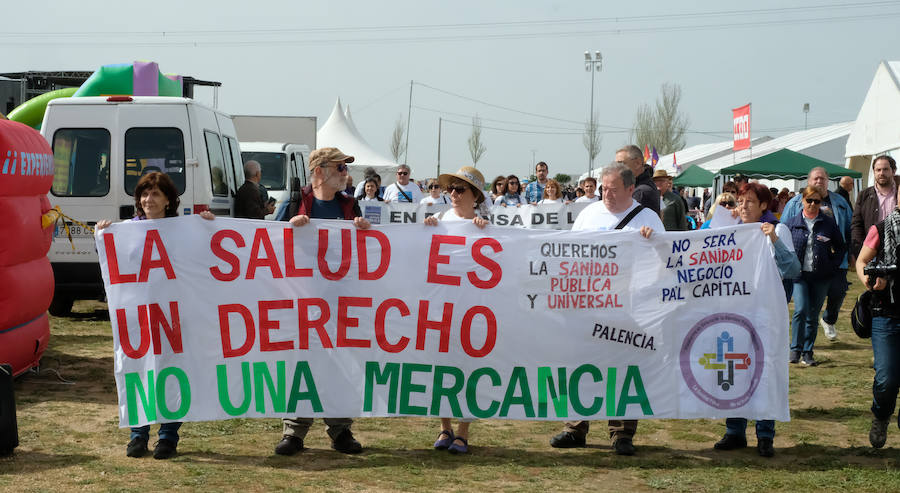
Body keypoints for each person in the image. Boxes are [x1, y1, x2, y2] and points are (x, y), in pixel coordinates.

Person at [97, 171, 215, 460]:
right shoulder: (127, 231)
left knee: (173, 372)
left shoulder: (182, 230)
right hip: (138, 318)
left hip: (175, 316)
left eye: (156, 194)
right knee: (139, 370)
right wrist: (103, 234)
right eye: (144, 194)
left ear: (168, 200)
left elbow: (203, 261)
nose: (148, 199)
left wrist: (210, 228)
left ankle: (168, 437)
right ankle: (138, 435)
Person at [550, 162, 662, 456]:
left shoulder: (648, 218)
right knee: (581, 363)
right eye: (603, 188)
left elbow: (666, 259)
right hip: (588, 304)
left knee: (624, 368)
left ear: (629, 189)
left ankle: (622, 433)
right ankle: (574, 428)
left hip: (630, 306)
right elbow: (571, 253)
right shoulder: (589, 214)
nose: (606, 194)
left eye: (613, 189)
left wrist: (655, 241)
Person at [275, 147, 369, 457]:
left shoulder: (350, 206)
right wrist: (289, 228)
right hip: (300, 302)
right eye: (340, 167)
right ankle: (294, 431)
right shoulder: (294, 204)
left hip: (340, 301)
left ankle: (340, 429)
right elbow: (266, 241)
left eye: (345, 168)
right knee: (301, 364)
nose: (346, 173)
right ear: (319, 171)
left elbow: (368, 253)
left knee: (338, 363)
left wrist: (365, 232)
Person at [713, 183, 800, 458]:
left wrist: (774, 239)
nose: (744, 206)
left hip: (764, 315)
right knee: (733, 369)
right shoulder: (729, 230)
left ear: (764, 206)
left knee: (764, 370)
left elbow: (793, 270)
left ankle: (765, 434)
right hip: (733, 313)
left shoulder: (777, 230)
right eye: (741, 201)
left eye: (750, 201)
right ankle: (734, 431)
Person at [423, 166, 489, 454]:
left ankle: (463, 431)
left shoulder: (484, 225)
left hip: (472, 309)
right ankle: (444, 427)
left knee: (468, 369)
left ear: (474, 195)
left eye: (460, 189)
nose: (453, 193)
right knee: (441, 370)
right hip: (440, 307)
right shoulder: (438, 220)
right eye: (451, 188)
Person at [782, 167, 852, 342]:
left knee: (838, 291)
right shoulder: (795, 203)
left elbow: (850, 227)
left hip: (836, 261)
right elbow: (782, 230)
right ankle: (801, 347)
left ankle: (829, 319)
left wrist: (851, 253)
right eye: (815, 179)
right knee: (803, 307)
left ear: (828, 181)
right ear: (808, 182)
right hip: (802, 264)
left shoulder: (840, 202)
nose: (819, 182)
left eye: (822, 179)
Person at [855, 180, 900, 448]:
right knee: (887, 378)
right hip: (886, 312)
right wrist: (872, 282)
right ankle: (881, 415)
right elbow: (862, 262)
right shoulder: (882, 229)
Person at [852, 156, 897, 258]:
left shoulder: (899, 193)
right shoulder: (864, 195)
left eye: (885, 169)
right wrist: (860, 250)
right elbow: (856, 225)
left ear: (893, 171)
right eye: (878, 170)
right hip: (872, 252)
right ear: (874, 172)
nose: (881, 173)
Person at [615, 145, 660, 214]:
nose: (617, 168)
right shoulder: (638, 187)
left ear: (637, 163)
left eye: (621, 164)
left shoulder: (641, 192)